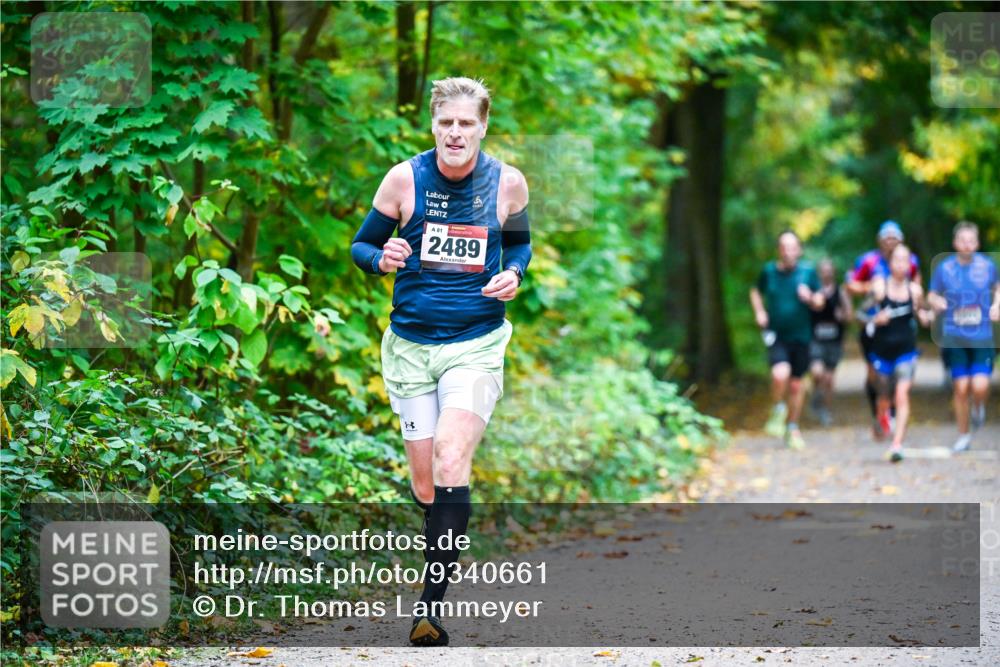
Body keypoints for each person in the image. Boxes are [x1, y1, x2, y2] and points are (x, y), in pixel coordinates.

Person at [350, 77, 531, 646]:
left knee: (453, 460)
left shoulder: (508, 183)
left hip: (476, 342)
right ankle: (444, 538)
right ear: (434, 125)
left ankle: (428, 607)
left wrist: (515, 273)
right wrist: (383, 258)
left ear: (482, 126)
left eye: (466, 123)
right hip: (409, 346)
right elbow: (361, 245)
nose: (456, 133)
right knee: (427, 485)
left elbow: (521, 243)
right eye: (446, 123)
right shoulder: (404, 178)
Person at [927, 221, 1000, 453]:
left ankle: (978, 406)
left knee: (979, 386)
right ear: (955, 243)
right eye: (963, 240)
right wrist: (937, 302)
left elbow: (998, 288)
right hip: (954, 335)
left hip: (981, 334)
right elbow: (931, 294)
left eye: (971, 240)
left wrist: (998, 304)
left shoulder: (988, 266)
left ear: (977, 243)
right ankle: (963, 434)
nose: (967, 245)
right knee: (960, 388)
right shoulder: (944, 268)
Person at [750, 230, 825, 450]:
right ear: (778, 250)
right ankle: (778, 408)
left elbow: (821, 301)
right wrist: (760, 311)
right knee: (779, 373)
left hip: (801, 336)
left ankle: (792, 427)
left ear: (799, 250)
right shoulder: (769, 271)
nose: (788, 252)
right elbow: (755, 291)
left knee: (796, 384)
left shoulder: (808, 272)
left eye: (792, 247)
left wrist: (810, 297)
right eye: (784, 247)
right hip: (777, 335)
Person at [846, 220, 922, 440]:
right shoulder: (868, 260)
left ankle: (894, 415)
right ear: (880, 240)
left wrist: (919, 306)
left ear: (901, 240)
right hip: (873, 326)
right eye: (886, 237)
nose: (890, 241)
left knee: (900, 380)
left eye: (895, 237)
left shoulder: (911, 259)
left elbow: (917, 283)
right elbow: (851, 285)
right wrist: (874, 287)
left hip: (901, 325)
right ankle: (880, 412)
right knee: (876, 377)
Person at [867, 244, 932, 462]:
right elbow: (859, 314)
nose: (901, 265)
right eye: (897, 260)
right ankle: (881, 415)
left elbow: (923, 314)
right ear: (889, 263)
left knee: (901, 393)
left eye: (906, 261)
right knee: (884, 397)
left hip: (906, 351)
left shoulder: (915, 290)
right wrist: (875, 319)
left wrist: (925, 317)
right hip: (882, 351)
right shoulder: (879, 287)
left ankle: (897, 444)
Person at [808, 258, 851, 426]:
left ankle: (825, 409)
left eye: (829, 270)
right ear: (819, 273)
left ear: (833, 272)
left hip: (834, 341)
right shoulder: (813, 292)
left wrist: (843, 315)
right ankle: (816, 397)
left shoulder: (840, 292)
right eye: (823, 270)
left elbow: (849, 316)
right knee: (818, 372)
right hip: (815, 339)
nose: (826, 273)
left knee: (829, 378)